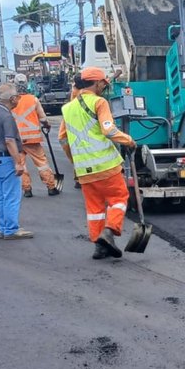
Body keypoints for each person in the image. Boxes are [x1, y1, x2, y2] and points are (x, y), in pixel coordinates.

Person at [58, 67, 136, 260]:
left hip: (84, 171)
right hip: (106, 167)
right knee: (119, 198)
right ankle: (109, 231)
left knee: (95, 209)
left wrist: (75, 163)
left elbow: (63, 139)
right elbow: (109, 130)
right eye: (103, 83)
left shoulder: (67, 108)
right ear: (96, 83)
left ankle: (99, 247)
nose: (104, 86)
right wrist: (129, 141)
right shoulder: (100, 102)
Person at [0, 83, 33, 239]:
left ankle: (4, 226)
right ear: (13, 99)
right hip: (6, 159)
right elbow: (9, 141)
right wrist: (18, 162)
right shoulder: (6, 116)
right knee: (12, 196)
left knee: (1, 195)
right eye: (17, 97)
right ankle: (11, 229)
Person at [12, 73, 59, 198]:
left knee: (21, 164)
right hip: (33, 139)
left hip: (17, 140)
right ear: (26, 84)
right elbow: (43, 118)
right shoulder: (33, 99)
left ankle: (27, 189)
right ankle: (51, 187)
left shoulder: (12, 101)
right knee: (42, 163)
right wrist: (47, 125)